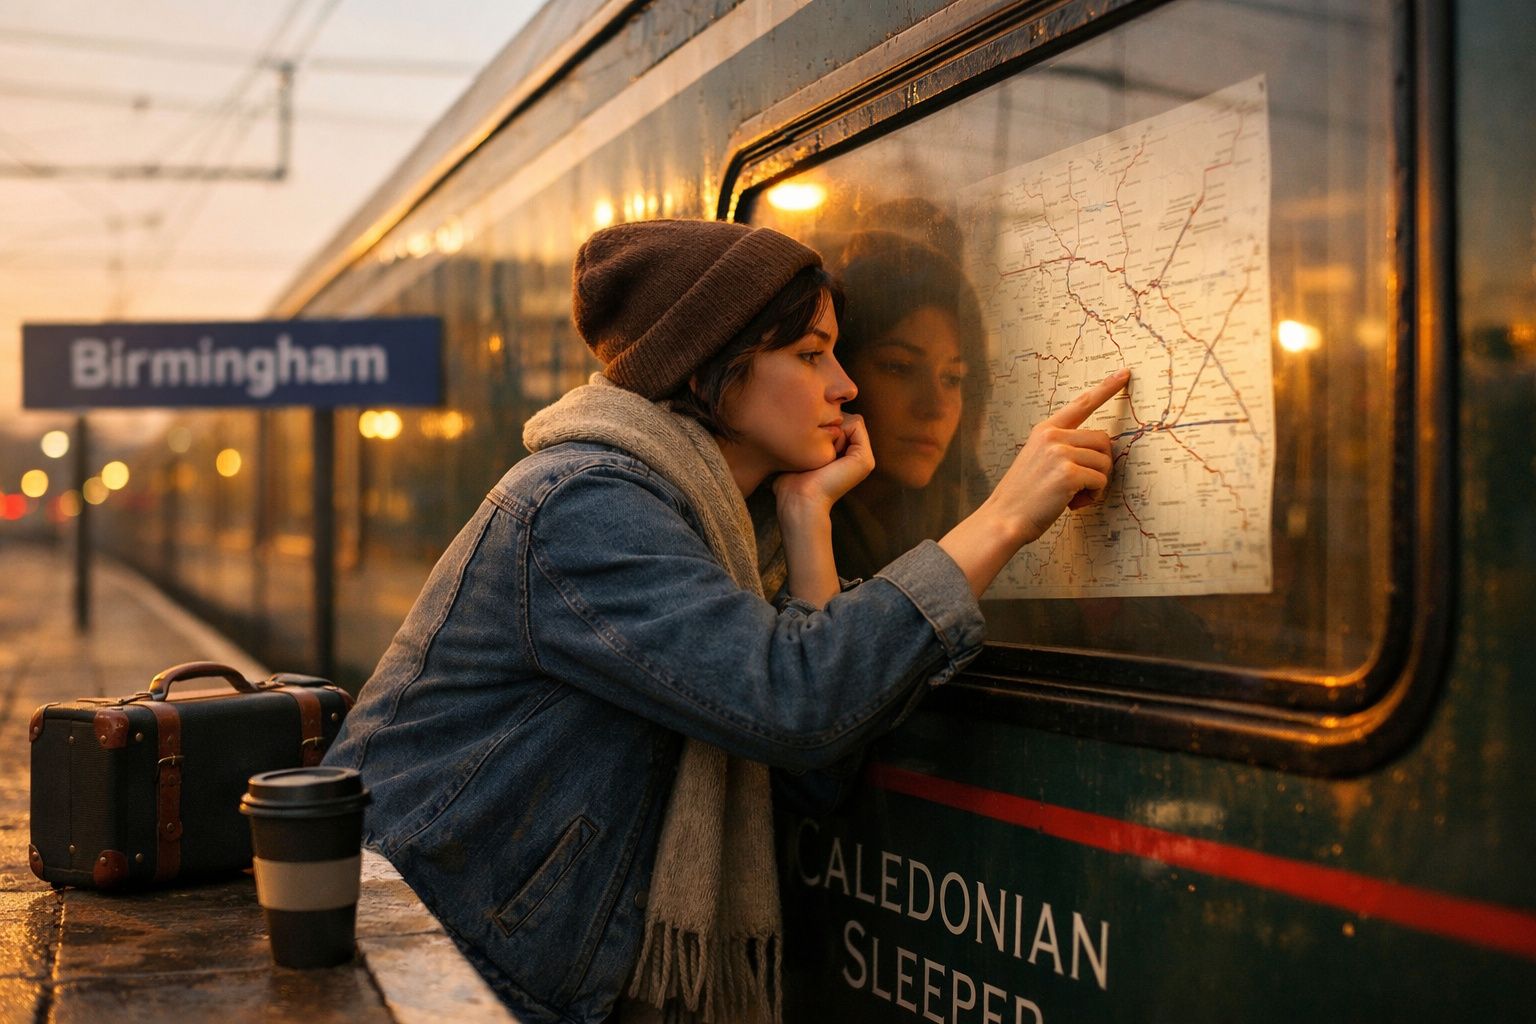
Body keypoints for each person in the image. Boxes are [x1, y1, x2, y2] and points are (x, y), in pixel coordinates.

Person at [323, 219, 1126, 1024]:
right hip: (438, 967)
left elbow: (819, 765)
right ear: (711, 366)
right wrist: (1003, 520)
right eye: (812, 355)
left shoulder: (733, 531)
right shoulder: (581, 503)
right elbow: (791, 703)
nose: (844, 386)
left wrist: (808, 516)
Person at [829, 229, 991, 580]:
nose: (934, 408)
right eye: (898, 367)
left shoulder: (971, 519)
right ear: (839, 372)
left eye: (953, 379)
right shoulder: (779, 528)